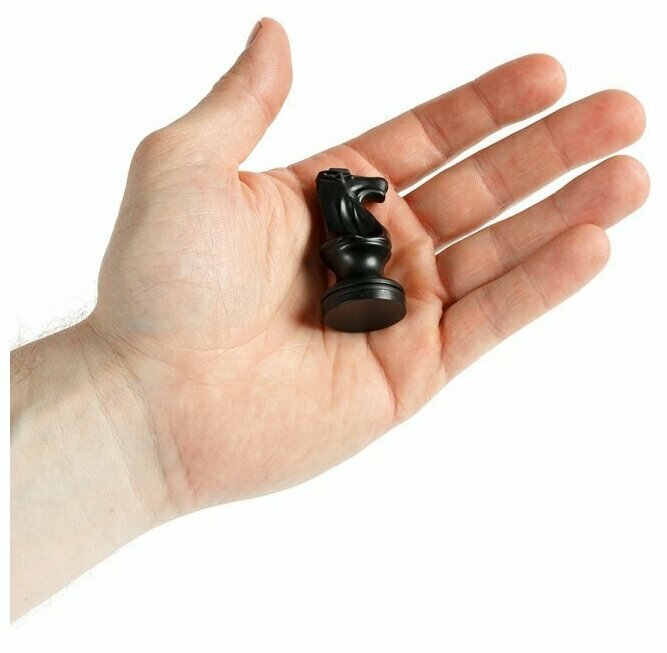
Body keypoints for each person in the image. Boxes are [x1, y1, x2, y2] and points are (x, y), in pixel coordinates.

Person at [10, 17, 649, 620]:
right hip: (348, 268)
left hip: (354, 269)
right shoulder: (341, 207)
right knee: (362, 241)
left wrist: (127, 412)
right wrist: (133, 403)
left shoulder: (351, 213)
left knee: (365, 241)